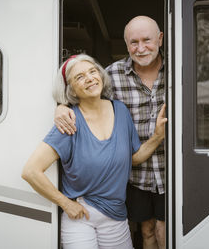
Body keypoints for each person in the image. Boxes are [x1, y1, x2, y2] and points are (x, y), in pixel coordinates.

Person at [22, 54, 167, 249]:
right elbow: (31, 171)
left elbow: (133, 159)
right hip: (81, 217)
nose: (90, 78)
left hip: (116, 215)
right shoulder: (69, 121)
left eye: (93, 71)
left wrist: (157, 136)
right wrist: (66, 204)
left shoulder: (121, 111)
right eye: (79, 77)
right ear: (70, 89)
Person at [54, 16, 166, 249]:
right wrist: (61, 107)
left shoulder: (178, 71)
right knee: (146, 231)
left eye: (147, 40)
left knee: (164, 231)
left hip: (172, 170)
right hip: (132, 175)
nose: (141, 48)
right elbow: (84, 91)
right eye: (133, 42)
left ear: (160, 39)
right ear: (126, 45)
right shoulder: (111, 75)